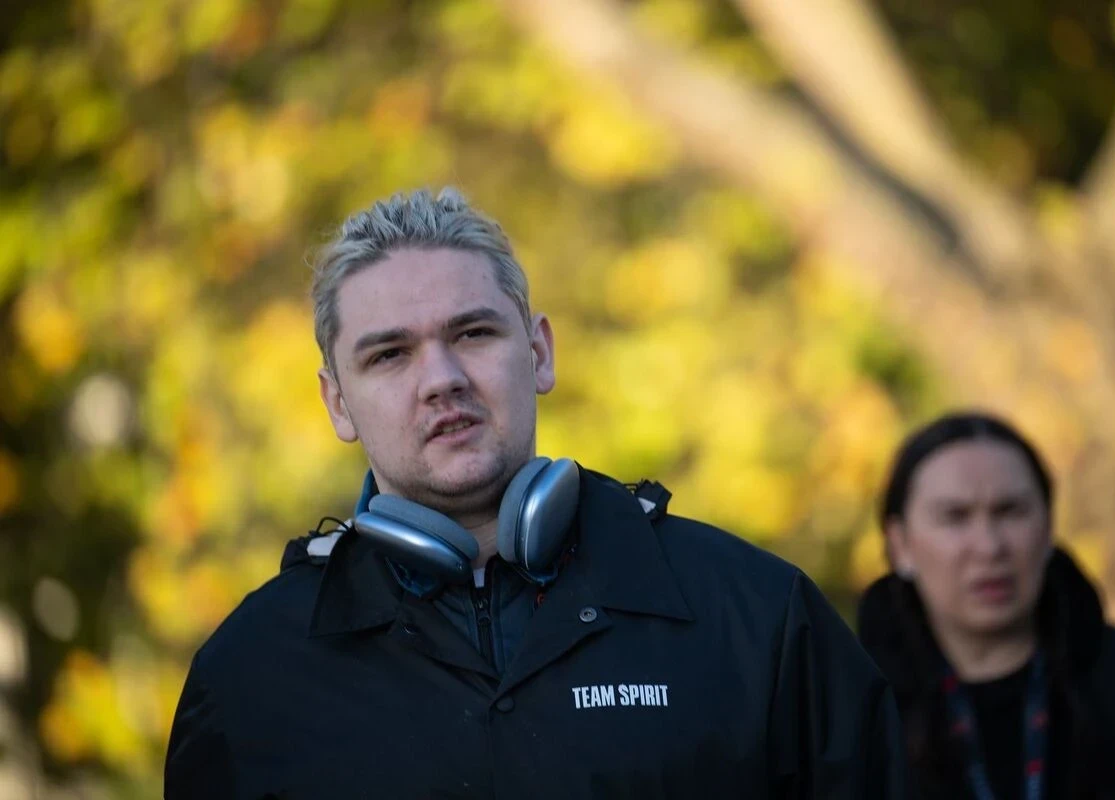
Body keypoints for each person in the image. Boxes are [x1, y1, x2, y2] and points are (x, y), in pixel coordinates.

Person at [164, 187, 910, 799]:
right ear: (337, 403)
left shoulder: (756, 618)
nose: (442, 379)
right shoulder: (249, 678)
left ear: (540, 352)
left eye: (473, 334)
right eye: (389, 354)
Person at [857, 411, 1115, 799]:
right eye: (954, 517)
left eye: (1010, 511)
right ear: (899, 544)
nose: (989, 546)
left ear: (1049, 525)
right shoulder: (851, 721)